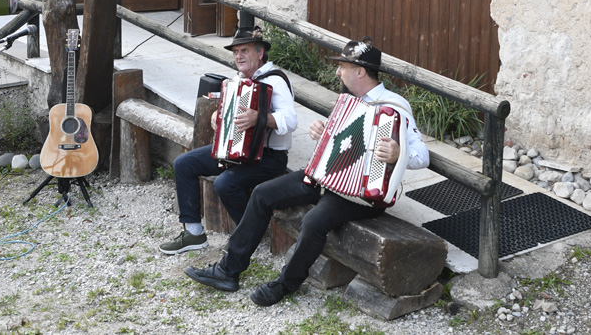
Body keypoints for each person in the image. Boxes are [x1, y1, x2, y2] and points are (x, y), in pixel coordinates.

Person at [184, 37, 430, 307]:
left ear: (360, 72)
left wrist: (397, 153)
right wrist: (323, 133)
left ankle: (286, 283)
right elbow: (342, 142)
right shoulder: (348, 100)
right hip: (326, 177)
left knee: (313, 221)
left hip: (362, 194)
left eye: (343, 67)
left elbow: (422, 156)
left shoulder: (394, 107)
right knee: (263, 194)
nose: (338, 72)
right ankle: (228, 271)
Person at [160, 26, 297, 255]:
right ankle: (194, 233)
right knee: (184, 164)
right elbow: (229, 109)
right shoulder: (239, 80)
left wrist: (260, 118)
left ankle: (249, 236)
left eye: (244, 50)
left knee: (225, 183)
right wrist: (218, 116)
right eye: (235, 52)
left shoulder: (276, 80)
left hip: (270, 157)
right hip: (236, 151)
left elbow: (291, 121)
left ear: (260, 53)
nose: (238, 56)